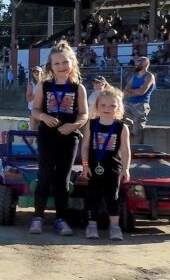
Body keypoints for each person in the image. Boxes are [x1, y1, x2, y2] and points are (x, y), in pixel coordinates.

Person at [30, 41, 89, 236]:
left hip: (69, 137)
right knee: (45, 176)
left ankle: (61, 219)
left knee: (63, 179)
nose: (61, 67)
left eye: (65, 62)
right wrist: (44, 117)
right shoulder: (44, 85)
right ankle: (37, 217)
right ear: (51, 66)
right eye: (57, 64)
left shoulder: (78, 88)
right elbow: (35, 110)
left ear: (72, 63)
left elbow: (84, 115)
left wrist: (73, 126)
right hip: (47, 136)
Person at [80, 86, 131, 240]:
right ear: (97, 106)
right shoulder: (91, 124)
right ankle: (91, 226)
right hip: (93, 168)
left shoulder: (122, 127)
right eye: (103, 105)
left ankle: (115, 227)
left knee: (112, 197)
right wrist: (85, 165)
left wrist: (125, 169)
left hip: (113, 168)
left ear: (119, 107)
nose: (107, 108)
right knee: (92, 196)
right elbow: (85, 146)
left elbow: (126, 150)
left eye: (112, 105)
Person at [123, 57, 155, 143]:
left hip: (141, 104)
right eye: (136, 61)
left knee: (138, 129)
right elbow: (125, 90)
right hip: (128, 104)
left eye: (139, 61)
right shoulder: (134, 77)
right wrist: (134, 91)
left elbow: (142, 92)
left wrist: (130, 91)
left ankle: (138, 148)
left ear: (145, 63)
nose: (136, 63)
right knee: (118, 119)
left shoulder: (149, 76)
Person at [25, 66, 43, 130]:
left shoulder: (44, 84)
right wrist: (35, 95)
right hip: (32, 109)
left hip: (42, 109)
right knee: (33, 128)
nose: (36, 73)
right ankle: (29, 140)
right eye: (34, 72)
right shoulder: (31, 85)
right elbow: (27, 99)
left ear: (41, 73)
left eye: (37, 72)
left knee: (41, 128)